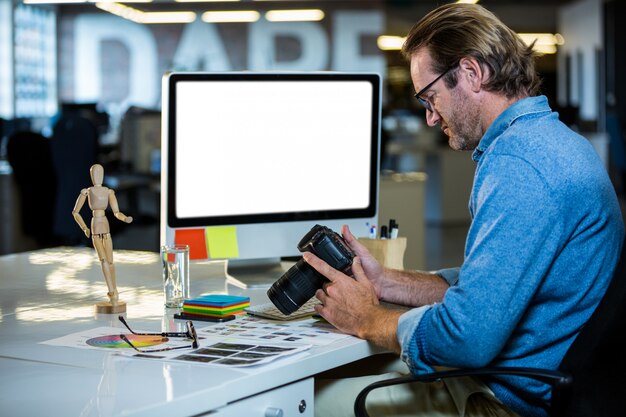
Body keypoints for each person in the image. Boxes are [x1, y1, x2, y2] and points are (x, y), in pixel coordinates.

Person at [310, 3, 624, 417]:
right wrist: (388, 283)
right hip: (535, 377)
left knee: (308, 402)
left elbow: (469, 337)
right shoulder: (555, 142)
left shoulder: (520, 164)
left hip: (503, 400)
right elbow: (492, 290)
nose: (428, 116)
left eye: (431, 96)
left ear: (472, 74)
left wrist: (369, 318)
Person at [72, 163, 133, 308]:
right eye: (95, 173)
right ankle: (112, 292)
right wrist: (85, 228)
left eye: (100, 173)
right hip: (94, 225)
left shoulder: (108, 191)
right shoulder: (87, 192)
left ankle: (114, 290)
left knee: (110, 261)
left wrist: (125, 218)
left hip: (105, 225)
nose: (97, 176)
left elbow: (116, 212)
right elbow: (75, 212)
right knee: (104, 260)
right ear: (91, 175)